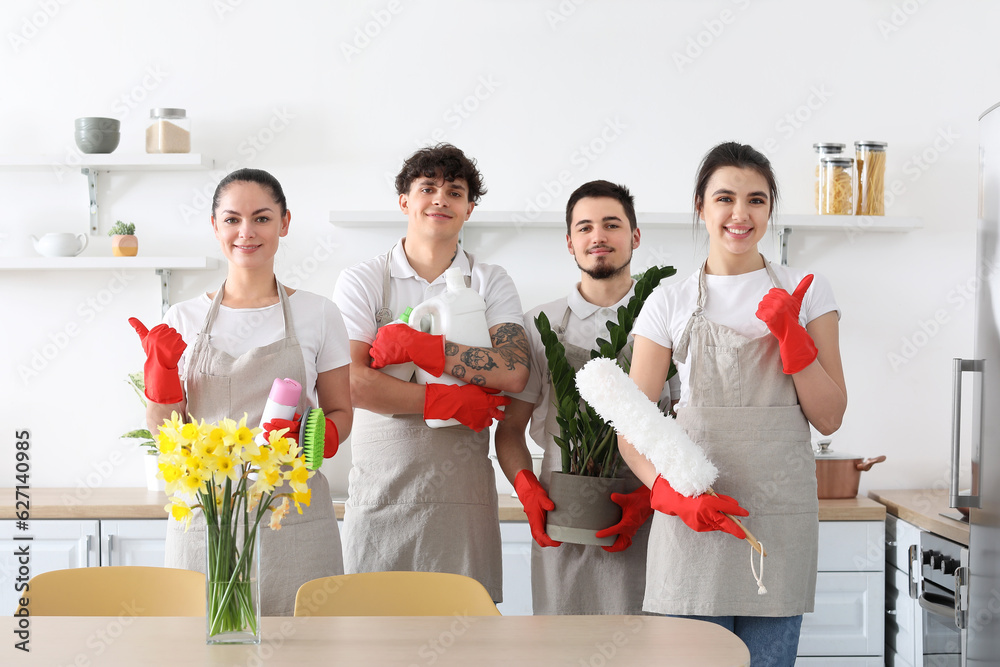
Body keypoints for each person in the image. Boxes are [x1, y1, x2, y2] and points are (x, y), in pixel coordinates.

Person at [619, 142, 847, 665]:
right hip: (694, 519)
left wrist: (794, 340)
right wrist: (670, 495)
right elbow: (632, 425)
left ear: (770, 210)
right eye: (725, 198)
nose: (740, 214)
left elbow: (829, 415)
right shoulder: (670, 300)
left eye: (757, 200)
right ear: (701, 206)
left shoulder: (806, 292)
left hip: (778, 525)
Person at [131, 168, 353, 617]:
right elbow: (165, 433)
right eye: (232, 219)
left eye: (262, 218)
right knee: (202, 647)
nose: (246, 232)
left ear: (284, 224)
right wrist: (160, 371)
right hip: (204, 515)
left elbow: (340, 409)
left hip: (291, 516)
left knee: (305, 649)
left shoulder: (319, 313)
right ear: (215, 227)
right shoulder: (183, 317)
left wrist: (318, 437)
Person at [332, 143, 528, 602]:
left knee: (463, 638)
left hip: (461, 502)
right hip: (382, 493)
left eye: (455, 191)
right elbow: (353, 382)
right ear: (404, 200)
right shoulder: (363, 280)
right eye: (428, 188)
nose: (441, 199)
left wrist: (432, 351)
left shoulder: (490, 281)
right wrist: (445, 400)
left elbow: (514, 371)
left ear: (469, 208)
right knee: (374, 638)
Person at [495, 180, 678, 615]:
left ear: (634, 237)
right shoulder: (539, 325)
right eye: (585, 227)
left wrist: (651, 497)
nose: (598, 237)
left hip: (651, 513)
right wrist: (526, 490)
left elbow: (687, 422)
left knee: (650, 646)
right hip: (562, 516)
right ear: (570, 242)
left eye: (612, 225)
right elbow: (510, 430)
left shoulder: (672, 316)